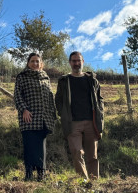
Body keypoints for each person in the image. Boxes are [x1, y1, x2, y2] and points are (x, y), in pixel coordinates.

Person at [55, 51, 104, 180]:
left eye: (79, 60)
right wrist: (63, 114)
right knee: (77, 152)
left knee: (92, 156)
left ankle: (94, 182)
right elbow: (58, 99)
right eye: (74, 61)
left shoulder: (92, 80)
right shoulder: (64, 81)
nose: (76, 63)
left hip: (91, 122)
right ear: (70, 63)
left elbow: (100, 99)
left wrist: (100, 114)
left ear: (83, 62)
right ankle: (83, 182)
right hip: (72, 123)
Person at [14, 53, 57, 181]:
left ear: (41, 63)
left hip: (44, 119)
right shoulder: (22, 77)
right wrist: (24, 110)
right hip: (29, 118)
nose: (35, 64)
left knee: (41, 147)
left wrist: (53, 115)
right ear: (28, 63)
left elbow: (50, 97)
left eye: (37, 61)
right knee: (29, 146)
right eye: (32, 61)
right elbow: (17, 95)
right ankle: (28, 174)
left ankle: (41, 174)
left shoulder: (46, 78)